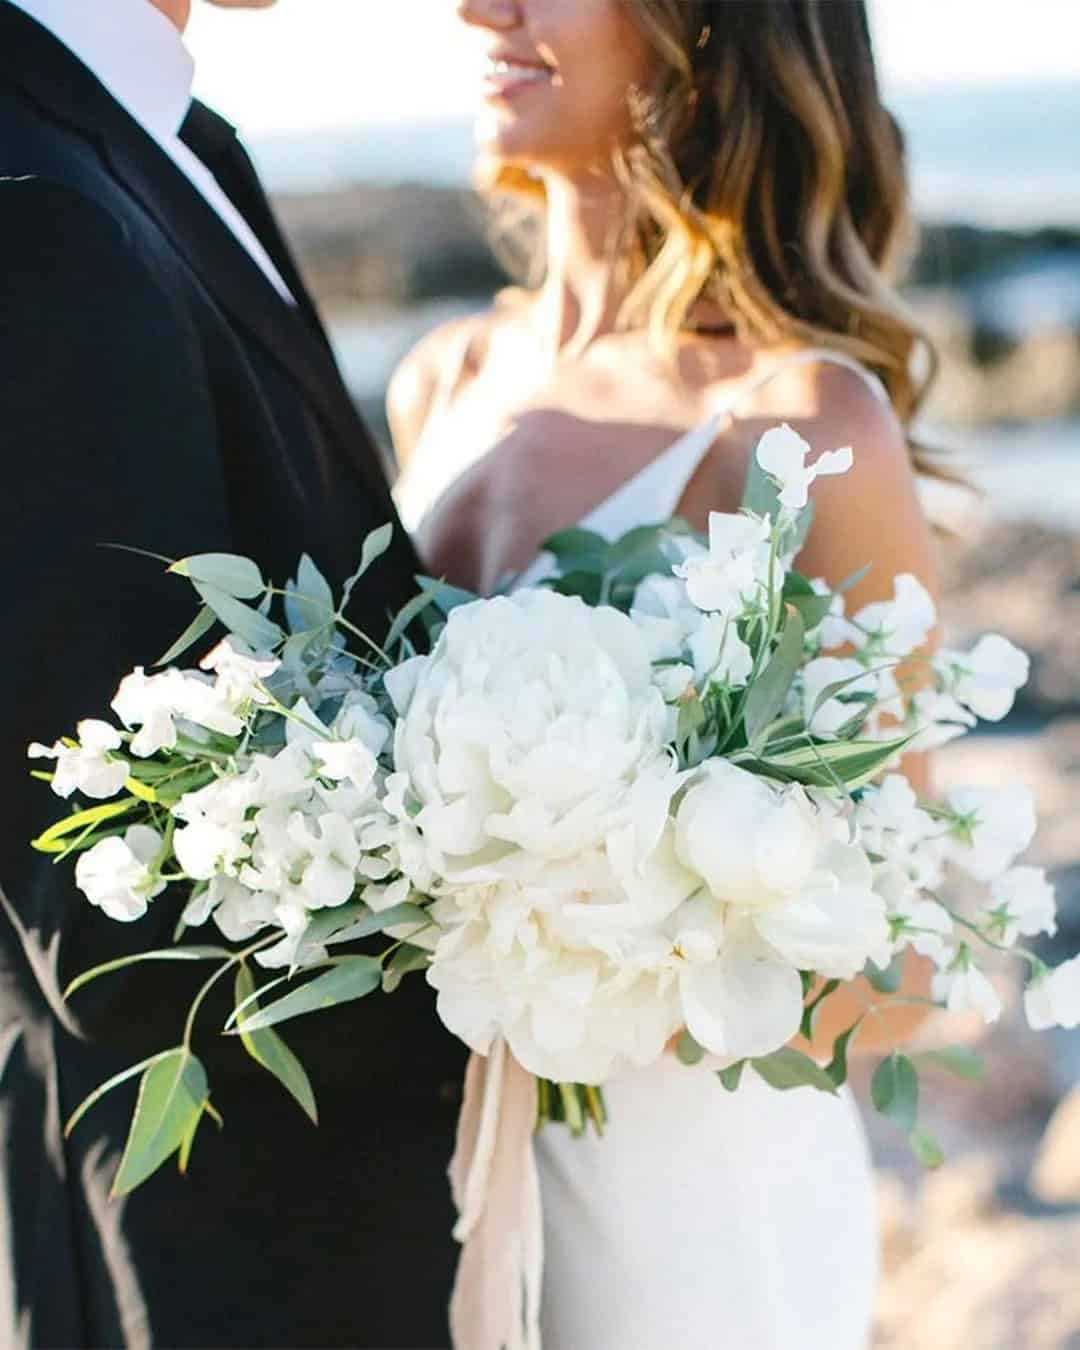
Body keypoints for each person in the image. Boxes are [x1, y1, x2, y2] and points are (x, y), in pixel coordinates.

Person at [390, 1, 940, 1346]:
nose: (480, 6)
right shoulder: (440, 378)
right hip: (432, 1183)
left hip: (692, 1212)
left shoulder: (804, 430)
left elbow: (908, 971)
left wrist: (597, 909)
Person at [0, 1, 465, 1345]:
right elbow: (111, 911)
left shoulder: (167, 136)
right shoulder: (32, 196)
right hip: (219, 1264)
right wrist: (527, 877)